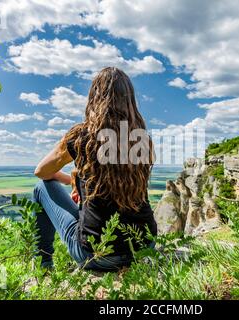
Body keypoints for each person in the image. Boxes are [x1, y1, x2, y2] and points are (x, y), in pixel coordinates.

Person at [33, 67, 157, 271]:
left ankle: (44, 264)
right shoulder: (142, 140)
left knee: (40, 187)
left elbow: (42, 172)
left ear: (94, 97)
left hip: (97, 254)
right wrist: (75, 181)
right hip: (144, 246)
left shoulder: (82, 136)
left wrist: (71, 180)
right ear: (130, 100)